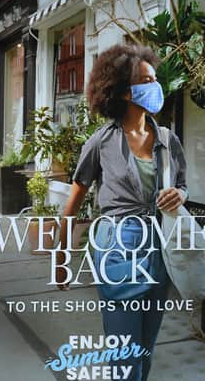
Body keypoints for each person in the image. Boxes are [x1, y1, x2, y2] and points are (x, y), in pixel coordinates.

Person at [56, 45, 188, 381]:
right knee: (125, 359)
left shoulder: (168, 140)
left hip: (158, 252)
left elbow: (183, 185)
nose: (154, 86)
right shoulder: (100, 143)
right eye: (146, 80)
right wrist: (61, 262)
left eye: (155, 79)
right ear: (125, 91)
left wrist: (178, 195)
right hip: (117, 252)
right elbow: (71, 206)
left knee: (144, 352)